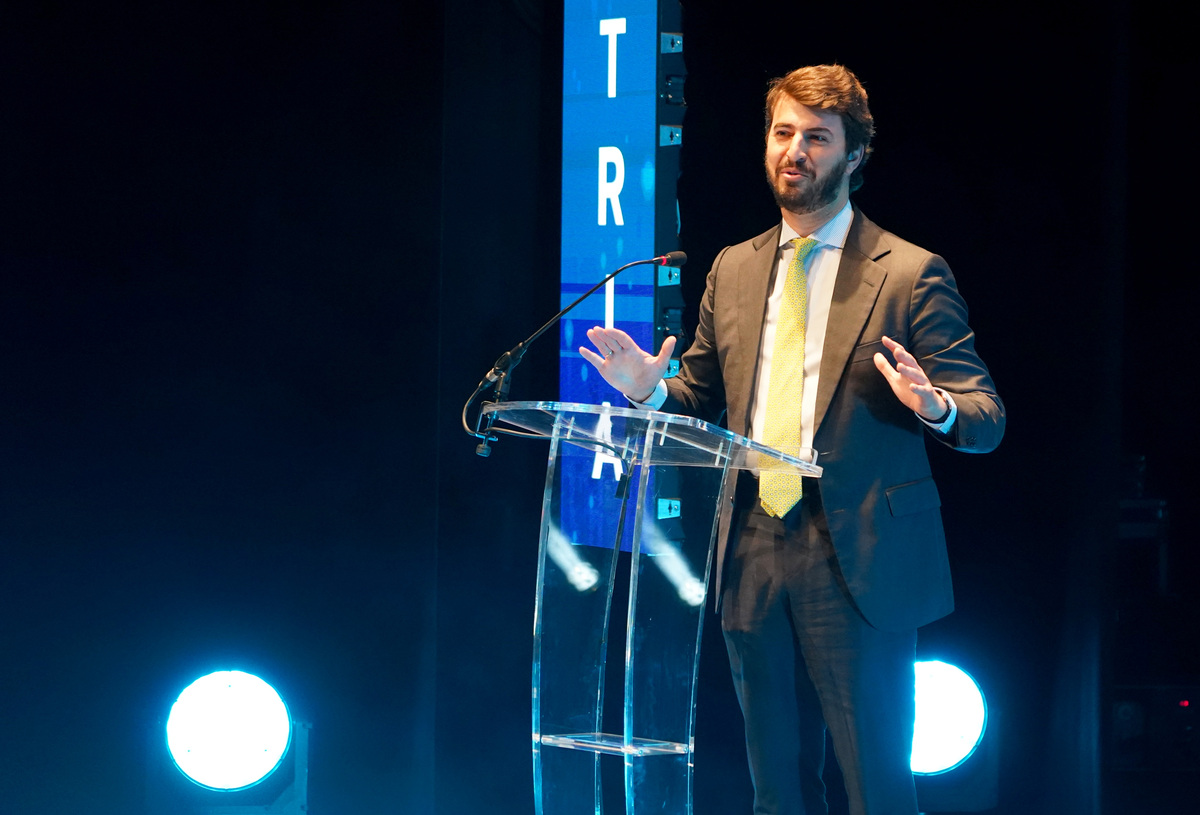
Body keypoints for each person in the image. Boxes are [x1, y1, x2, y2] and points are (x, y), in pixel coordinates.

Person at [579, 65, 1004, 815]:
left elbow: (985, 413)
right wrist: (648, 386)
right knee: (775, 786)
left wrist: (934, 404)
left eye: (816, 137)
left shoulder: (907, 274)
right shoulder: (733, 269)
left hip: (859, 555)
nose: (795, 151)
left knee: (877, 787)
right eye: (783, 133)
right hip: (751, 545)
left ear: (854, 154)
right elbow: (698, 398)